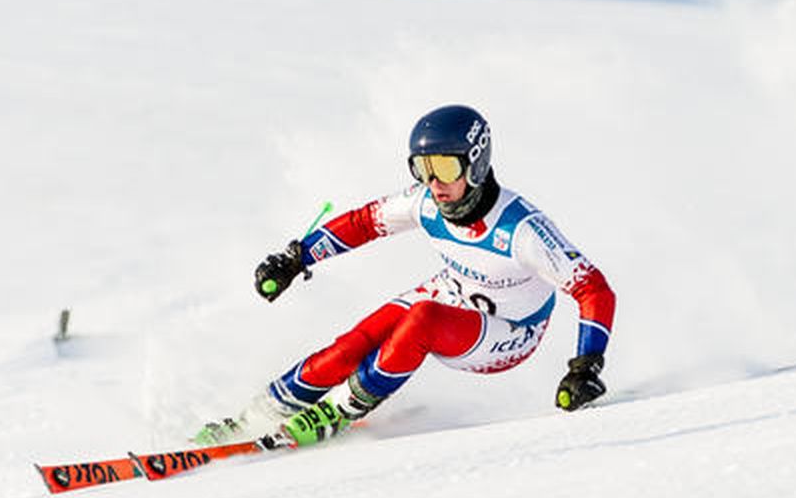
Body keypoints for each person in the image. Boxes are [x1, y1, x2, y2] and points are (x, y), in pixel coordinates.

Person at [196, 104, 616, 448]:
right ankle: (253, 418)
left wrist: (586, 366)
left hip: (510, 331)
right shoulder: (426, 202)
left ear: (477, 163)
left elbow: (593, 288)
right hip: (455, 292)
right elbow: (364, 223)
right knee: (351, 346)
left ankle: (343, 409)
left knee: (423, 320)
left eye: (447, 168)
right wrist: (298, 257)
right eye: (423, 168)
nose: (435, 183)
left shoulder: (521, 229)